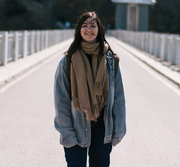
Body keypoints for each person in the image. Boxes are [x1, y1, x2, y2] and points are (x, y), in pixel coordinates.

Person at [54, 11, 126, 167]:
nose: (89, 29)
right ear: (79, 30)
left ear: (99, 29)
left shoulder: (111, 60)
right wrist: (67, 133)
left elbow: (119, 97)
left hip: (102, 128)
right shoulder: (67, 60)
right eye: (84, 26)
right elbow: (61, 100)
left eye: (93, 26)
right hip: (76, 127)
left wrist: (119, 129)